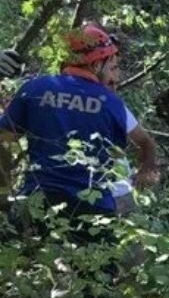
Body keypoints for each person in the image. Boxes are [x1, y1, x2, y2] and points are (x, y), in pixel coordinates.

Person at [0, 24, 159, 226]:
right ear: (95, 66)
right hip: (95, 211)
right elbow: (145, 142)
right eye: (112, 67)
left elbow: (4, 138)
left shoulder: (35, 88)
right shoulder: (111, 103)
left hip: (36, 204)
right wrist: (146, 170)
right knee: (133, 229)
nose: (116, 77)